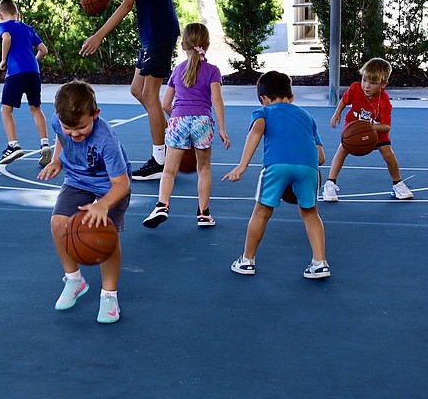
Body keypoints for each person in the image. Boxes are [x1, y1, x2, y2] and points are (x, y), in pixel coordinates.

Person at [79, 0, 180, 181]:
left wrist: (98, 35)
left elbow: (126, 6)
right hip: (152, 33)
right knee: (138, 89)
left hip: (158, 33)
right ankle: (174, 141)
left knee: (150, 95)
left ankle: (161, 158)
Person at [38, 80, 132, 324]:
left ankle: (109, 295)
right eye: (69, 127)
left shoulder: (105, 139)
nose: (74, 133)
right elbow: (61, 136)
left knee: (106, 235)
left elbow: (122, 184)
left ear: (96, 114)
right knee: (58, 223)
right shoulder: (58, 122)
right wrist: (57, 160)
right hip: (78, 179)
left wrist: (103, 205)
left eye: (81, 127)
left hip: (110, 185)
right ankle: (74, 280)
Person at [222, 71, 330, 279]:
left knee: (261, 213)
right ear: (292, 96)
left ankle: (247, 260)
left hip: (277, 165)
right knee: (310, 213)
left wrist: (242, 166)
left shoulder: (265, 112)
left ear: (263, 99)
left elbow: (256, 132)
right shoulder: (307, 117)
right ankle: (320, 263)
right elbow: (322, 157)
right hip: (309, 167)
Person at [142, 23, 229, 229]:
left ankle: (162, 205)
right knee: (204, 169)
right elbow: (217, 100)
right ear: (206, 45)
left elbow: (165, 103)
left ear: (182, 45)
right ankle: (204, 214)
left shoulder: (177, 70)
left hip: (179, 120)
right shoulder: (212, 71)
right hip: (202, 121)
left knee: (170, 171)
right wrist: (222, 129)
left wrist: (177, 119)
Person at [322, 57, 413, 201]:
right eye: (364, 80)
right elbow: (345, 100)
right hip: (354, 125)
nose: (366, 86)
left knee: (389, 155)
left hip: (375, 129)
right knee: (342, 150)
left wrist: (371, 126)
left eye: (373, 83)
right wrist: (337, 113)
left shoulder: (384, 101)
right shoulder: (355, 88)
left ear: (384, 84)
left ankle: (398, 184)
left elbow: (386, 127)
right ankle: (330, 184)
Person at [0, 0, 52, 167]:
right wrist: (33, 61)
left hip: (15, 72)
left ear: (0, 15)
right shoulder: (27, 28)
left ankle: (13, 145)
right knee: (36, 109)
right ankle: (45, 144)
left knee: (6, 110)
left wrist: (3, 59)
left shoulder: (2, 26)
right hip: (33, 72)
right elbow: (44, 50)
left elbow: (6, 38)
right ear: (18, 14)